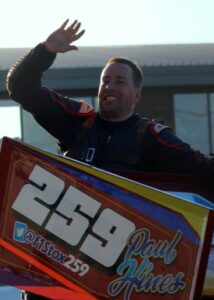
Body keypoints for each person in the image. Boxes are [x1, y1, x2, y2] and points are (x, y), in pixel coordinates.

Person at [6, 19, 214, 300]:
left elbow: (202, 168)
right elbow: (20, 87)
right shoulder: (77, 122)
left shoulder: (152, 136)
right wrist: (47, 49)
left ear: (137, 95)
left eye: (119, 81)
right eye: (105, 80)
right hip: (59, 267)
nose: (110, 86)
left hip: (119, 280)